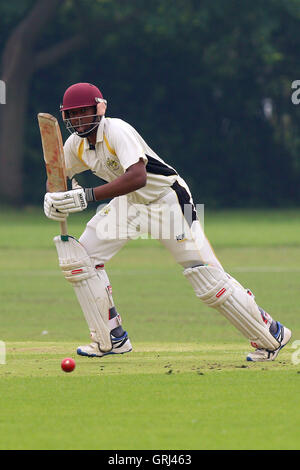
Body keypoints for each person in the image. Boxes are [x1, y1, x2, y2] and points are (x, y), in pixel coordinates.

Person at [44, 82, 291, 362]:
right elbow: (58, 177)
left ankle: (271, 333)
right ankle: (111, 338)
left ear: (99, 109)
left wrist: (86, 196)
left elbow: (138, 176)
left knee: (207, 278)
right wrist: (54, 200)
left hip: (170, 200)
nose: (78, 120)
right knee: (81, 258)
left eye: (83, 112)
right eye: (72, 114)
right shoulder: (75, 145)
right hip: (130, 205)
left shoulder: (116, 130)